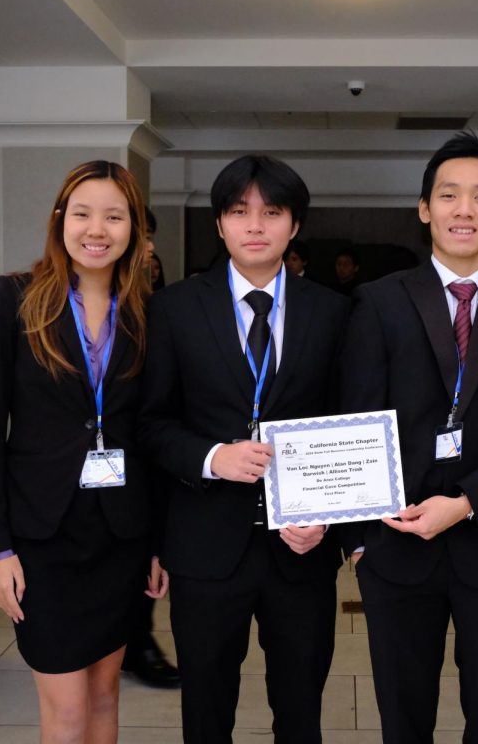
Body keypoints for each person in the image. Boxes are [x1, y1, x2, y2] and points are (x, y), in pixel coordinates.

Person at [337, 131, 478, 743]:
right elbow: (355, 421)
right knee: (403, 720)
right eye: (448, 195)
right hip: (394, 547)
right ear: (424, 208)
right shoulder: (378, 304)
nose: (463, 210)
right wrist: (361, 541)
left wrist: (467, 502)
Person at [139, 154, 349, 743]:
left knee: (301, 709)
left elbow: (347, 424)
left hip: (301, 549)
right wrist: (212, 458)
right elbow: (152, 424)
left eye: (272, 212)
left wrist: (327, 518)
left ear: (294, 225)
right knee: (206, 711)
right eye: (239, 211)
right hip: (205, 547)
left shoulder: (334, 313)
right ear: (220, 224)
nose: (255, 225)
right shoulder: (175, 310)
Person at [0, 160, 167, 743]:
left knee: (105, 700)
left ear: (134, 229)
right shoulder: (15, 299)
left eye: (114, 215)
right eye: (82, 213)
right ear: (60, 220)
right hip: (42, 536)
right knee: (66, 711)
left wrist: (158, 542)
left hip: (120, 535)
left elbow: (149, 432)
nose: (96, 229)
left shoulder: (149, 312)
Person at [120, 207, 180, 688]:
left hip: (145, 463)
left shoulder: (151, 308)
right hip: (75, 483)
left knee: (142, 563)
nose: (149, 248)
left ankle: (137, 641)